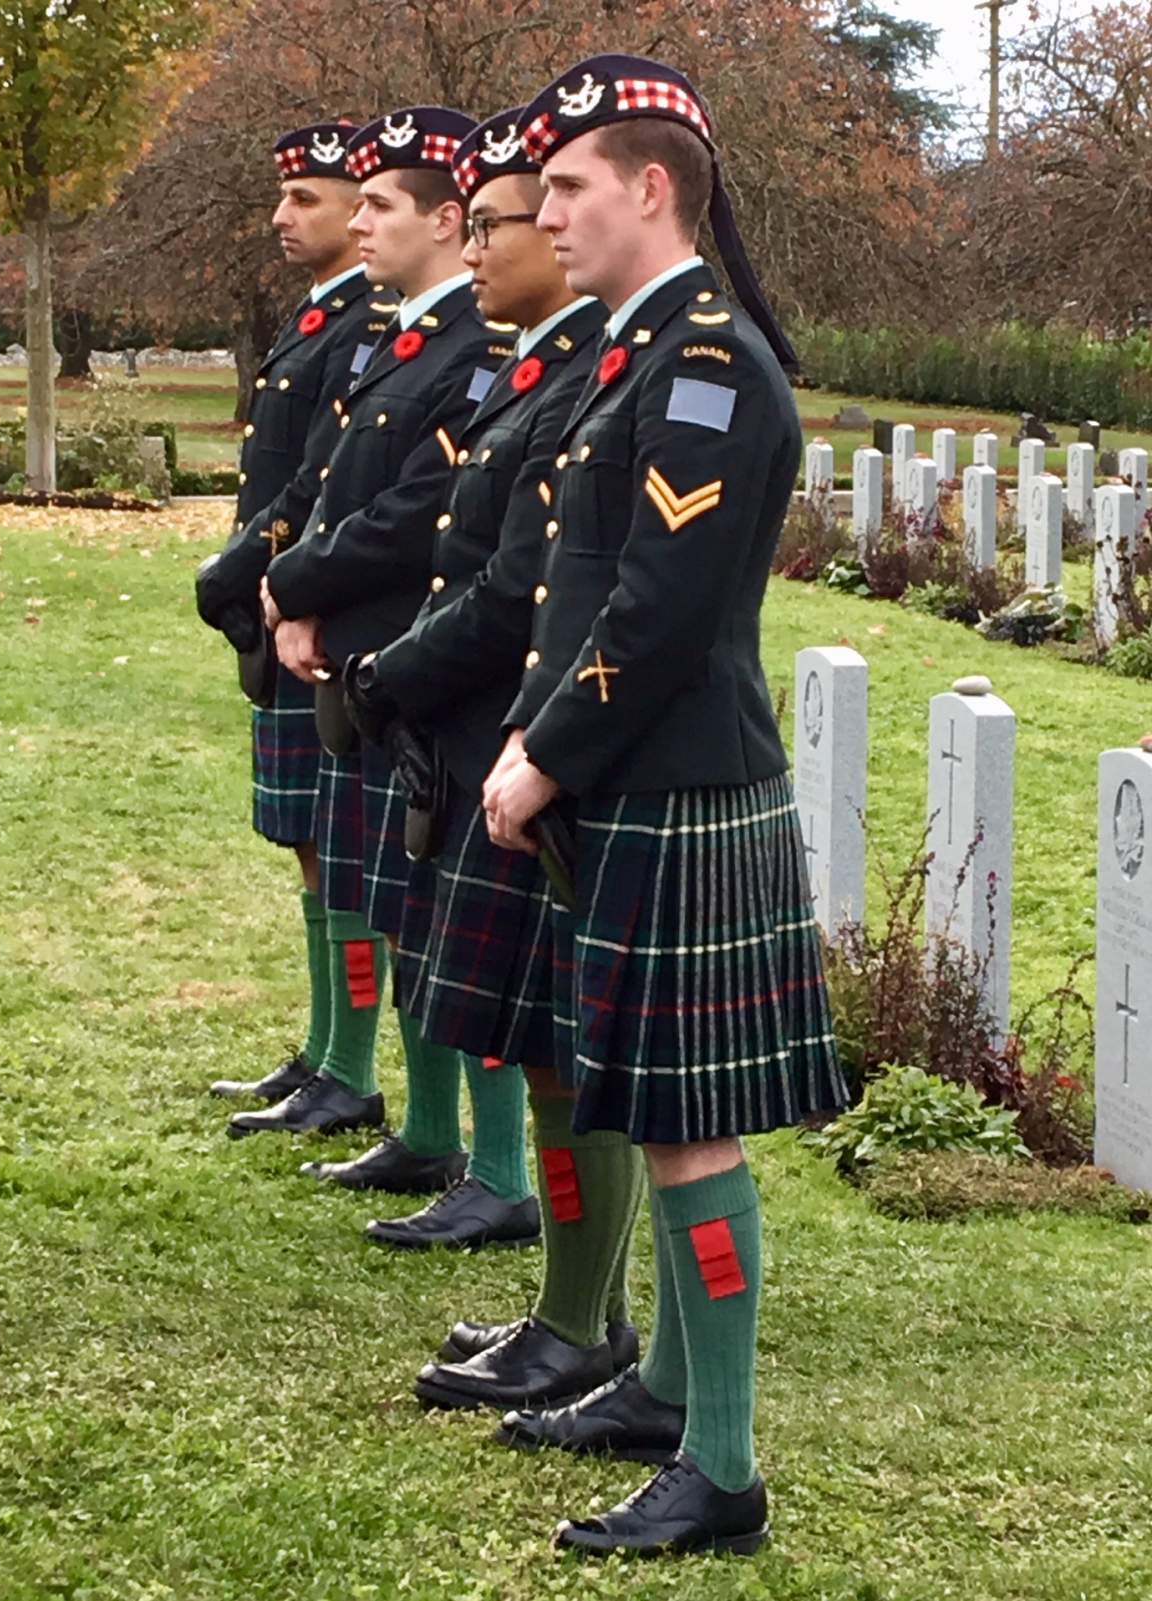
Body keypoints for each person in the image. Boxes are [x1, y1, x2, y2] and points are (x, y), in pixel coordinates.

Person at [479, 57, 849, 1558]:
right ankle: (673, 1412)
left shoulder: (707, 360)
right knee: (667, 1109)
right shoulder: (644, 355)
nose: (543, 212)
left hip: (674, 780)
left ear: (652, 187)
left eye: (567, 187)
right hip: (643, 788)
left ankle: (726, 1470)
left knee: (696, 1135)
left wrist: (544, 752)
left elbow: (662, 609)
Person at [344, 109, 619, 1272]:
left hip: (513, 719)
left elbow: (519, 584)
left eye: (496, 223)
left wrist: (392, 671)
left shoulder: (581, 377)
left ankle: (520, 1212)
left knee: (536, 1018)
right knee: (495, 996)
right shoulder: (535, 370)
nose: (477, 251)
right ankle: (534, 1250)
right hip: (470, 718)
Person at [232, 109, 515, 1179]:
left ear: (444, 220)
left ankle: (472, 1157)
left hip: (407, 659)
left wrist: (292, 576)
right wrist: (269, 581)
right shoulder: (405, 337)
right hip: (355, 654)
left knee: (439, 919)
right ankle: (415, 1120)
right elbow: (323, 479)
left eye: (377, 203)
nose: (358, 223)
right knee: (380, 895)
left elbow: (414, 511)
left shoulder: (474, 352)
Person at [197, 122, 395, 1114]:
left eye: (305, 198)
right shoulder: (321, 317)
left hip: (315, 604)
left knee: (342, 846)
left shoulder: (368, 325)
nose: (283, 216)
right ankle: (326, 1054)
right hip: (283, 603)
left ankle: (351, 1069)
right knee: (312, 844)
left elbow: (322, 485)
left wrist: (249, 569)